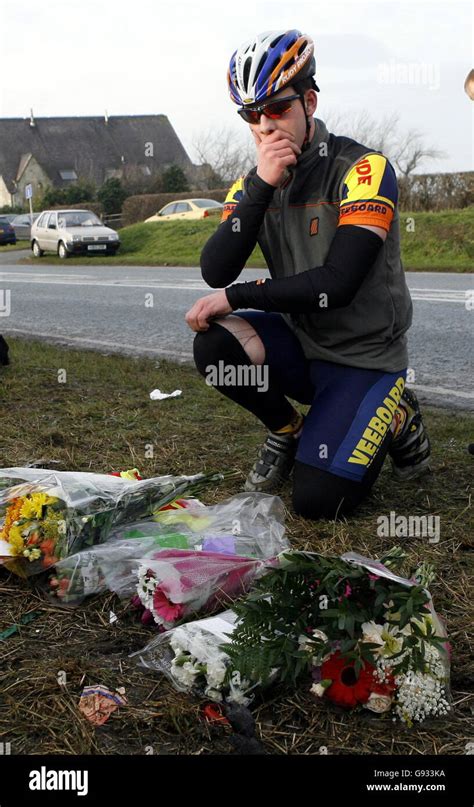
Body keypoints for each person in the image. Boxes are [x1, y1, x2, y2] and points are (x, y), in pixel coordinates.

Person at [185, 29, 431, 520]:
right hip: (304, 347)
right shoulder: (254, 180)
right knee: (213, 344)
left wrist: (241, 296)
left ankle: (397, 413)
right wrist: (260, 186)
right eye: (250, 114)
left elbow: (337, 284)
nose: (263, 125)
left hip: (365, 358)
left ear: (310, 102)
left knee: (317, 502)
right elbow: (216, 269)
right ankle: (287, 430)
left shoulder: (364, 169)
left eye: (276, 108)